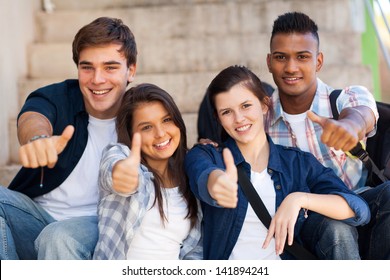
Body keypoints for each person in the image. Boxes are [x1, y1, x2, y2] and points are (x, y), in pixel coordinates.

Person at [185, 65, 370, 260]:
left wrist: (299, 199)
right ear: (218, 118)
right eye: (226, 112)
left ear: (265, 105)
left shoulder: (297, 163)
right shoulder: (206, 155)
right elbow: (202, 174)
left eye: (246, 106)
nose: (239, 119)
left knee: (339, 228)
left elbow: (359, 210)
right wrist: (217, 183)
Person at [0, 17, 137, 260]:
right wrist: (38, 139)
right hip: (36, 220)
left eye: (110, 67)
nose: (97, 79)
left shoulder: (143, 112)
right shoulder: (60, 96)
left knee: (59, 236)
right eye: (87, 67)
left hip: (97, 227)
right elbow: (34, 115)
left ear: (131, 70)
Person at [265, 11, 390, 259]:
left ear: (318, 61)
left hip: (360, 202)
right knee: (336, 228)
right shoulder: (261, 119)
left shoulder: (343, 99)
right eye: (281, 57)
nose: (291, 67)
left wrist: (349, 127)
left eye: (302, 57)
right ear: (269, 62)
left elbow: (361, 113)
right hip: (307, 222)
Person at [93, 83, 202, 260]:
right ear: (130, 133)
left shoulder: (190, 172)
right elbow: (112, 169)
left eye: (167, 120)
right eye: (146, 127)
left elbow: (194, 250)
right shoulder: (122, 157)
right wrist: (121, 176)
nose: (160, 133)